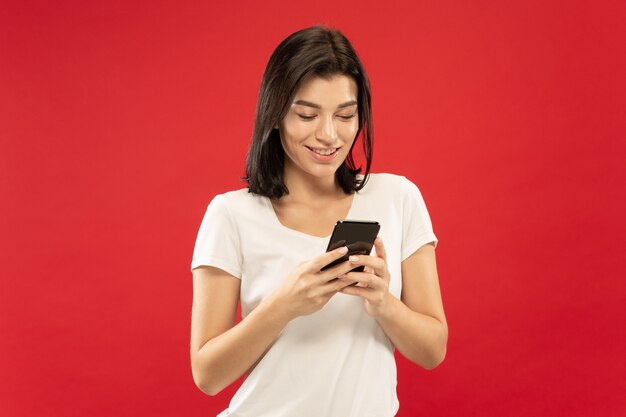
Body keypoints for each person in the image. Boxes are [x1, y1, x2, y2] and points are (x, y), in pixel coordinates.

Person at [190, 26, 447, 417]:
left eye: (345, 115)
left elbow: (433, 351)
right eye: (307, 115)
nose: (328, 135)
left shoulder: (398, 198)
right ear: (275, 114)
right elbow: (207, 374)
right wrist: (286, 304)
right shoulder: (230, 214)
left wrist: (382, 303)